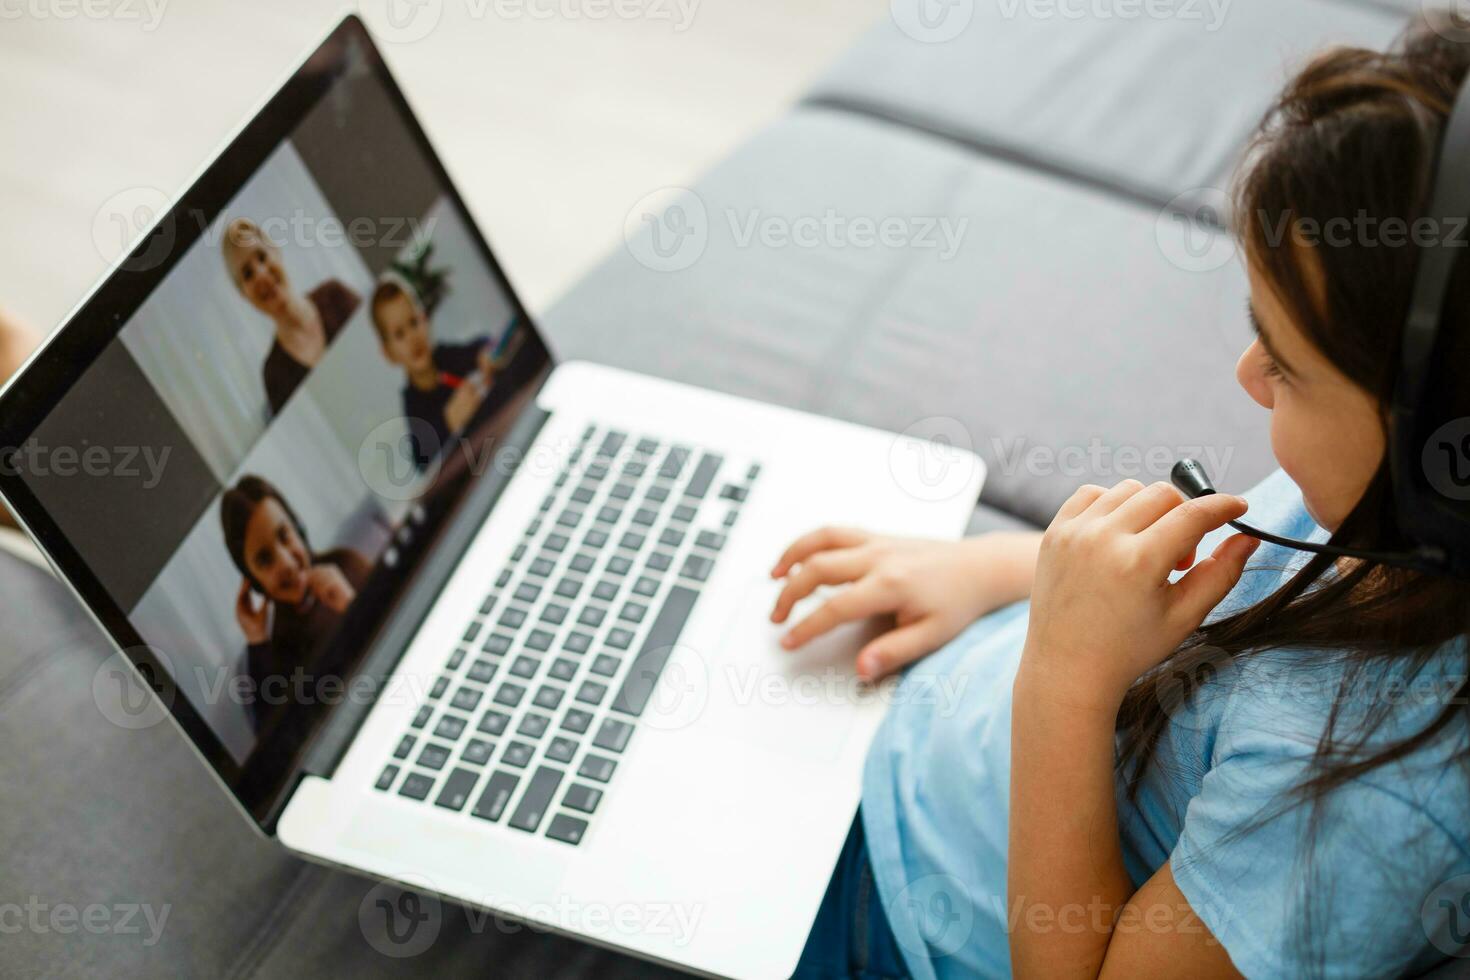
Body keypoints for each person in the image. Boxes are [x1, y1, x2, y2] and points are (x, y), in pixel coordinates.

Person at [782, 18, 1470, 979]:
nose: (1247, 374)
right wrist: (985, 570)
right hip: (939, 737)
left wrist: (1062, 675)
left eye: (1287, 365)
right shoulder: (1390, 515)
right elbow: (1212, 584)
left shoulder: (1373, 807)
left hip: (908, 918)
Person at [220, 475, 370, 731]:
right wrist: (256, 640)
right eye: (265, 560)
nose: (287, 563)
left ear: (298, 528)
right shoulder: (276, 649)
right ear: (254, 582)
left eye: (284, 536)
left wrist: (349, 605)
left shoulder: (347, 565)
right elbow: (278, 742)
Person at [369, 273, 524, 471]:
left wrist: (485, 356)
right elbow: (421, 458)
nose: (412, 338)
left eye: (414, 323)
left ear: (425, 321)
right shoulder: (413, 402)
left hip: (506, 430)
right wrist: (448, 420)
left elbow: (481, 346)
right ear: (388, 353)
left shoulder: (445, 357)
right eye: (399, 334)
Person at [221, 217, 359, 415]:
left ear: (276, 251)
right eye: (248, 274)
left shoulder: (335, 295)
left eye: (261, 257)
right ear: (243, 294)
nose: (261, 274)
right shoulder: (274, 375)